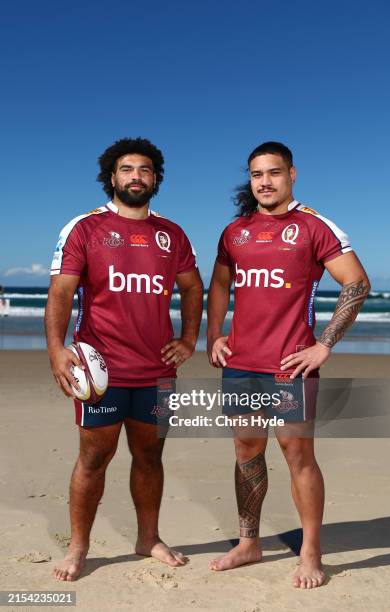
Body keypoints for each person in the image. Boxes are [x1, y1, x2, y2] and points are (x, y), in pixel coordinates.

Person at [207, 141, 370, 588]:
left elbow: (356, 282)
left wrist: (324, 345)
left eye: (274, 173)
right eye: (257, 174)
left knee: (297, 454)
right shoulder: (234, 231)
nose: (264, 182)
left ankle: (311, 553)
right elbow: (220, 282)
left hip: (290, 365)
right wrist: (213, 333)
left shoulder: (313, 226)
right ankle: (248, 542)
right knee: (246, 450)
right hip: (240, 363)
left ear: (291, 174)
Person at [45, 137, 203, 581]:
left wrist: (190, 338)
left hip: (157, 371)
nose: (137, 176)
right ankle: (78, 548)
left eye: (146, 169)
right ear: (111, 177)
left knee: (150, 456)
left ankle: (148, 538)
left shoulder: (172, 234)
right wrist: (57, 350)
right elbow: (61, 292)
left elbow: (193, 288)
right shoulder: (85, 228)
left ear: (156, 179)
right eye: (127, 169)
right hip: (101, 369)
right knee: (94, 459)